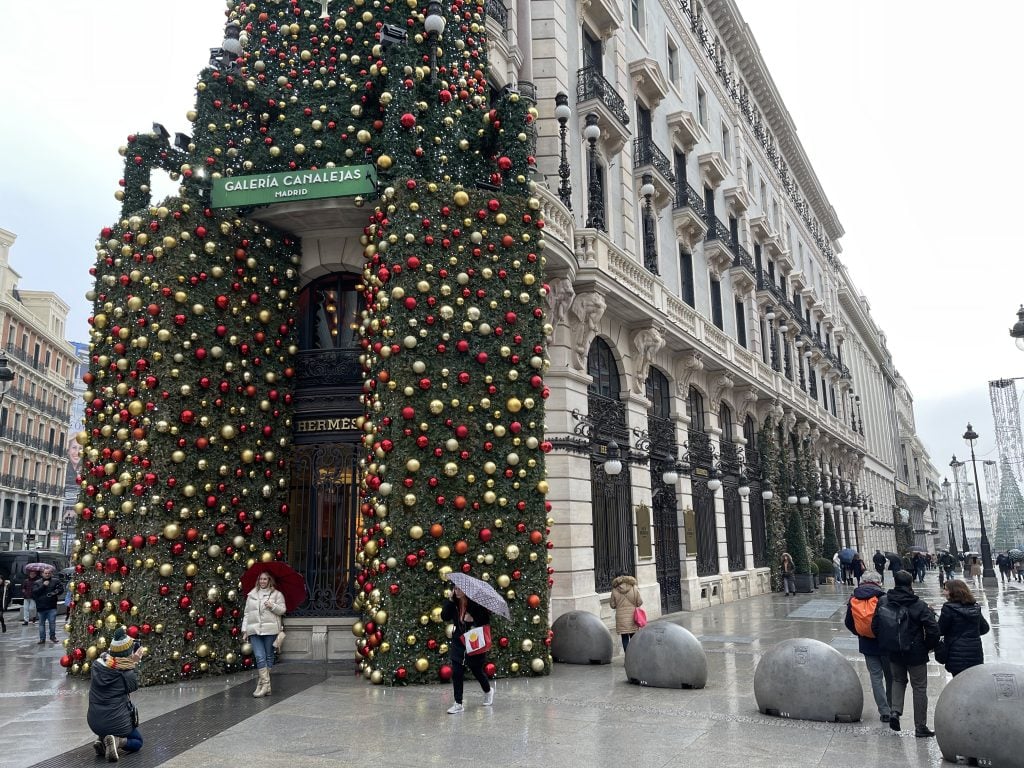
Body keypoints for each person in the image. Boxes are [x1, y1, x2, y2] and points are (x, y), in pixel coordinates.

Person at [872, 570, 939, 738]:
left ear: (894, 582)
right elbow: (933, 630)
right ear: (911, 584)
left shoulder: (884, 601)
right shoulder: (918, 604)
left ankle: (895, 712)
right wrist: (927, 646)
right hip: (916, 652)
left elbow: (875, 626)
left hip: (894, 651)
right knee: (919, 687)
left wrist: (888, 642)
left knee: (898, 681)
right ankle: (920, 726)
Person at [88, 626, 145, 762]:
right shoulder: (127, 674)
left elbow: (111, 658)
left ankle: (102, 742)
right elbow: (135, 684)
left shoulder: (97, 665)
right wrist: (136, 662)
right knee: (138, 741)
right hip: (116, 722)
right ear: (128, 653)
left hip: (94, 720)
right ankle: (118, 741)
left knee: (106, 721)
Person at [844, 571, 892, 723]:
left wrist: (861, 632)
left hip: (867, 644)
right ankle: (892, 707)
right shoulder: (883, 597)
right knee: (890, 677)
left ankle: (884, 711)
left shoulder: (854, 598)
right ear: (878, 582)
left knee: (875, 677)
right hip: (885, 644)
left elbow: (848, 622)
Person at [440, 585, 493, 714]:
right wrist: (449, 601)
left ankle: (488, 690)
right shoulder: (454, 602)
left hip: (473, 640)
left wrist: (473, 618)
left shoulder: (475, 603)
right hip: (459, 641)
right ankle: (458, 703)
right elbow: (444, 617)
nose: (457, 591)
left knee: (476, 670)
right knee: (457, 671)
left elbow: (486, 619)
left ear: (466, 590)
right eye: (455, 589)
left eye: (460, 589)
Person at [241, 571, 286, 698]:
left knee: (269, 657)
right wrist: (244, 630)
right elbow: (247, 614)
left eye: (265, 579)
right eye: (260, 579)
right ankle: (266, 685)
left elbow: (283, 610)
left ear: (269, 580)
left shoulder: (277, 594)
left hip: (270, 630)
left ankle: (263, 686)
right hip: (254, 630)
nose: (262, 581)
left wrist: (272, 606)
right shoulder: (251, 595)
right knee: (260, 657)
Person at [938, 579, 989, 677]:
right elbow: (985, 628)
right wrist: (972, 633)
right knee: (973, 682)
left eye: (946, 590)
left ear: (954, 591)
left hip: (956, 653)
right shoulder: (975, 607)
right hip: (974, 653)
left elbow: (940, 630)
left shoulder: (948, 608)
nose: (943, 592)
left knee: (958, 683)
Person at [609, 572, 643, 651]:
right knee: (633, 637)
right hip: (632, 617)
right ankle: (634, 656)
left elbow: (612, 605)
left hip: (621, 618)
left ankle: (627, 656)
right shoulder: (634, 588)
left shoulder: (614, 590)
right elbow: (639, 602)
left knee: (624, 638)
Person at [32, 570, 62, 644]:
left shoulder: (55, 581)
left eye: (49, 573)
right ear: (42, 574)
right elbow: (35, 592)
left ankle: (52, 636)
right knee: (41, 624)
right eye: (46, 573)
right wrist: (43, 586)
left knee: (52, 623)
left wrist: (54, 592)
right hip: (41, 607)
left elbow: (61, 589)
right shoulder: (37, 582)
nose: (47, 574)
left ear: (51, 573)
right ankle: (42, 638)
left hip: (52, 606)